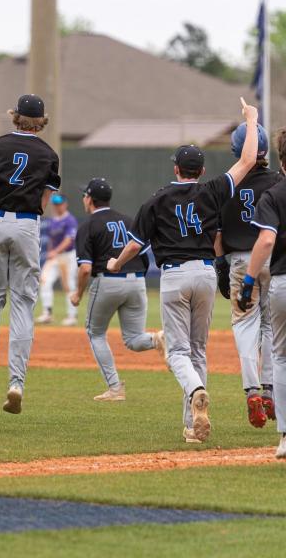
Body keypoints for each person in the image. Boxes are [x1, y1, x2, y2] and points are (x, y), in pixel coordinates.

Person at [107, 98, 259, 443]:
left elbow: (135, 245)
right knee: (198, 350)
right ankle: (193, 426)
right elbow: (248, 159)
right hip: (205, 273)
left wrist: (116, 262)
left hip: (174, 276)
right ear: (201, 171)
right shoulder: (211, 191)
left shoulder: (156, 200)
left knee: (177, 352)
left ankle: (196, 392)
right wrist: (252, 119)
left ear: (176, 169)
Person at [0, 94, 61, 414]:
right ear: (41, 122)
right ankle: (17, 382)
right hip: (27, 225)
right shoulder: (49, 154)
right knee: (23, 303)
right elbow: (43, 202)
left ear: (15, 117)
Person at [70, 178, 165, 401]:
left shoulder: (88, 225)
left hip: (108, 281)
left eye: (85, 195)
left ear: (90, 199)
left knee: (95, 333)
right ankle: (159, 338)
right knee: (134, 339)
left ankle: (115, 389)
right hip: (137, 282)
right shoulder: (128, 220)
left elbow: (85, 269)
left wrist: (77, 294)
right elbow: (140, 250)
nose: (83, 198)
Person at [216, 123, 283, 428]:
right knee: (271, 325)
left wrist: (219, 263)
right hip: (273, 258)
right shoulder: (278, 180)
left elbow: (216, 231)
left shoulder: (227, 183)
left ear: (235, 150)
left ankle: (252, 389)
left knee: (245, 324)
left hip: (241, 261)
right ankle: (269, 389)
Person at [239, 128, 286, 459]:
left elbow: (266, 240)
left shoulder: (274, 194)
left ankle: (285, 437)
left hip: (283, 282)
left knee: (281, 358)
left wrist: (248, 280)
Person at [36, 194, 79, 326]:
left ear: (65, 204)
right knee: (44, 280)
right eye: (55, 204)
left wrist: (54, 251)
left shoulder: (70, 220)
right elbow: (51, 240)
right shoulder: (53, 221)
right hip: (55, 256)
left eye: (59, 203)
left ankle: (72, 316)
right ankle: (47, 313)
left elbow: (68, 240)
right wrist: (51, 251)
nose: (57, 206)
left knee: (69, 286)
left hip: (67, 256)